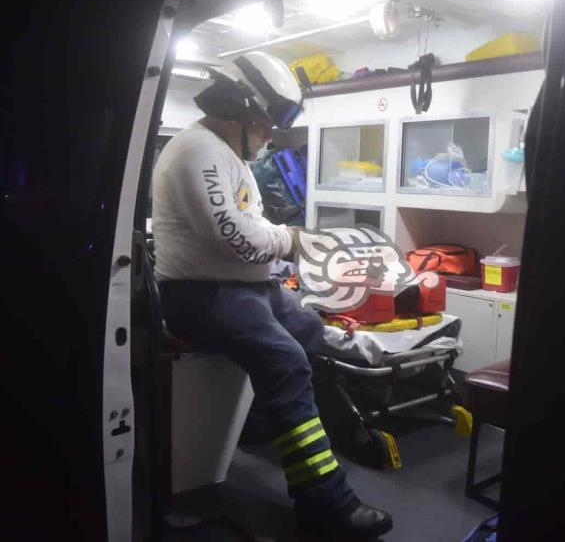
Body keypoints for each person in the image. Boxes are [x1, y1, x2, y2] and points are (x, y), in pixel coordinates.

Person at [152, 51, 393, 538]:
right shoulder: (196, 151)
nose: (268, 136)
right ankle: (325, 502)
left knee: (307, 327)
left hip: (244, 288)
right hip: (202, 296)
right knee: (285, 360)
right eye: (262, 126)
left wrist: (282, 252)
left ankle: (267, 422)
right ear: (236, 110)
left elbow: (252, 226)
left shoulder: (227, 155)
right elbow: (236, 237)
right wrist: (294, 239)